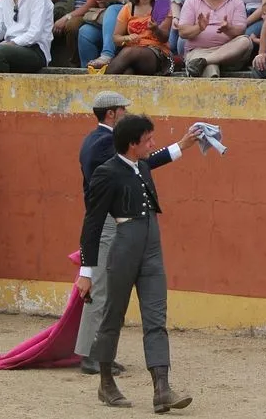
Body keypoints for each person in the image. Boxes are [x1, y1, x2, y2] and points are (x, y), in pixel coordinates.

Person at [74, 91, 199, 376]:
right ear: (111, 113)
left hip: (116, 221)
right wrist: (181, 146)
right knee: (102, 289)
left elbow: (141, 162)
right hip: (111, 220)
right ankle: (91, 354)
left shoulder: (95, 139)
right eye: (123, 109)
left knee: (109, 289)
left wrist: (182, 145)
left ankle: (99, 354)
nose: (126, 113)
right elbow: (141, 163)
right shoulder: (105, 143)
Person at [178, 0, 252, 77]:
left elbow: (241, 31)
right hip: (199, 51)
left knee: (245, 41)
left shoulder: (237, 3)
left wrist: (228, 29)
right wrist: (199, 28)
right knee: (210, 69)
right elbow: (182, 32)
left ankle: (204, 61)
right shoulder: (191, 1)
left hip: (229, 52)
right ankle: (205, 62)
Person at [107, 0, 174, 75]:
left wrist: (156, 29)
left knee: (129, 52)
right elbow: (116, 38)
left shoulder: (161, 5)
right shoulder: (129, 8)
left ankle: (99, 81)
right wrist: (127, 38)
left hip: (157, 54)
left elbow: (164, 38)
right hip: (132, 53)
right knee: (128, 73)